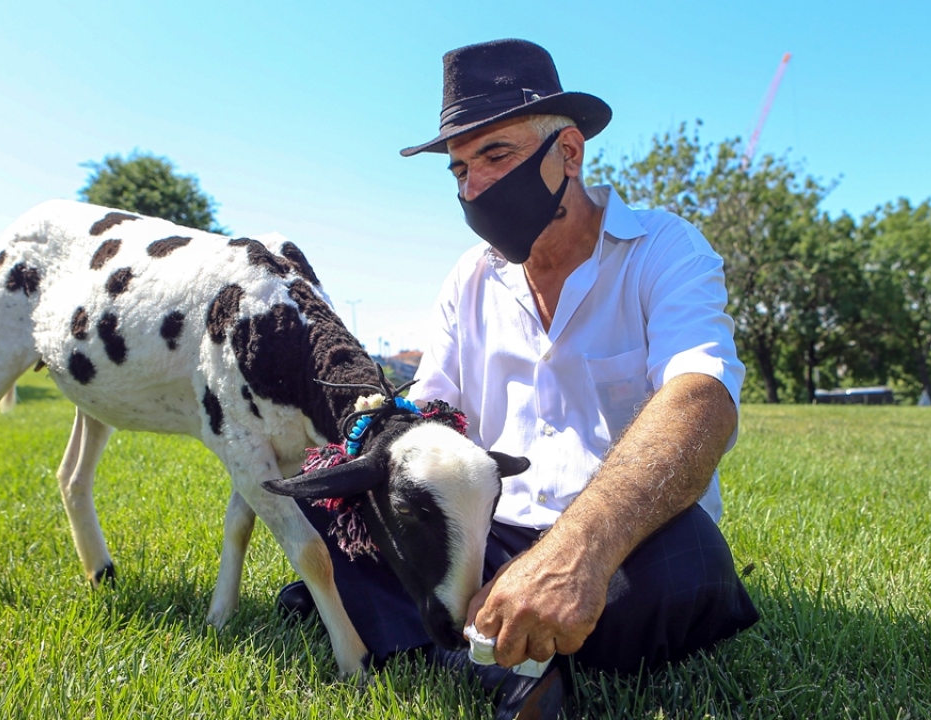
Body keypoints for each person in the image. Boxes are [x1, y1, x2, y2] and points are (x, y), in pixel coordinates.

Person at [281, 38, 759, 719]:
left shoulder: (664, 250)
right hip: (487, 530)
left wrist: (577, 552)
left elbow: (700, 400)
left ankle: (447, 636)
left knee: (690, 565)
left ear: (568, 152)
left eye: (496, 156)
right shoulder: (469, 278)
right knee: (339, 505)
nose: (473, 188)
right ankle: (511, 655)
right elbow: (430, 414)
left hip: (623, 537)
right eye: (459, 170)